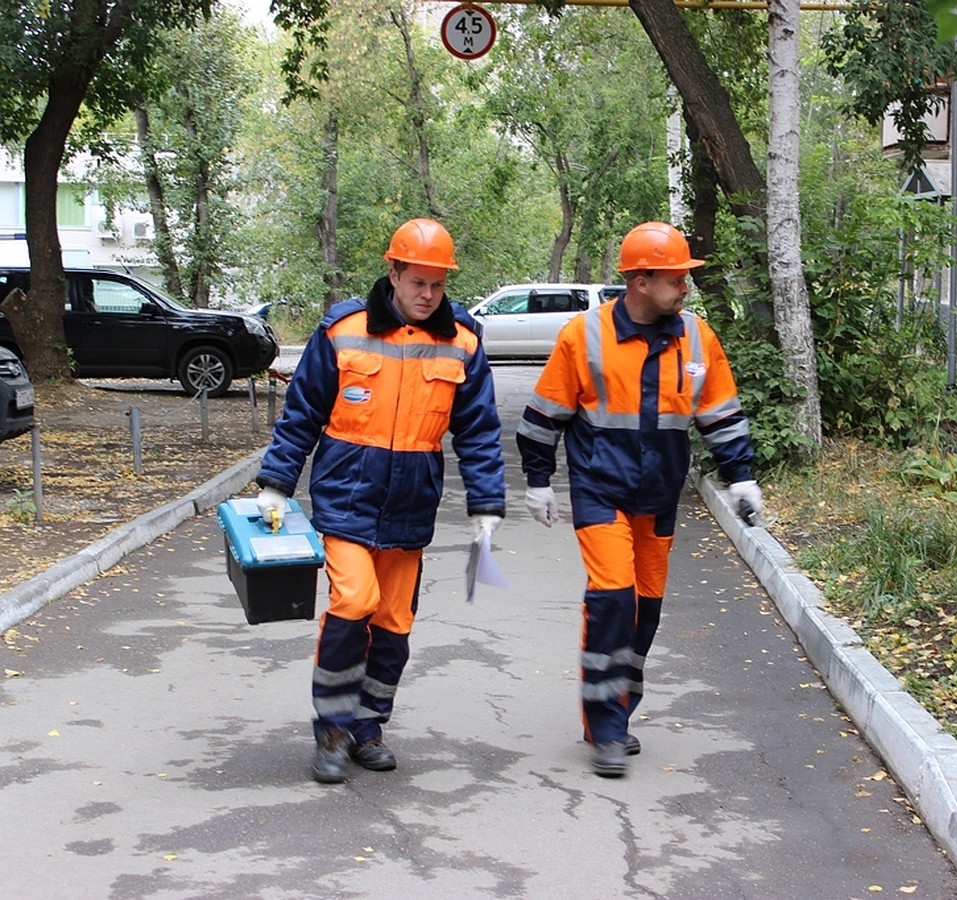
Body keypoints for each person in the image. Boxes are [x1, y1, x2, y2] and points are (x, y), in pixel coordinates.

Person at [255, 217, 506, 785]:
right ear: (392, 272)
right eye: (417, 282)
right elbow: (302, 414)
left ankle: (369, 727)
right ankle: (334, 730)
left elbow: (478, 430)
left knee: (394, 621)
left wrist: (486, 503)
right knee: (353, 601)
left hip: (411, 504)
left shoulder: (461, 340)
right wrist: (276, 483)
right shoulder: (344, 328)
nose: (427, 295)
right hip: (345, 495)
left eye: (438, 285)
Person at [516, 221, 763, 778]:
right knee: (612, 597)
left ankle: (616, 711)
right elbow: (543, 418)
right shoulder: (585, 336)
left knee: (645, 609)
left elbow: (720, 414)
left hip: (659, 495)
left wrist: (740, 475)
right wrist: (537, 480)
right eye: (676, 278)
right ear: (640, 280)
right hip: (600, 490)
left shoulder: (696, 338)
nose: (685, 287)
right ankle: (605, 726)